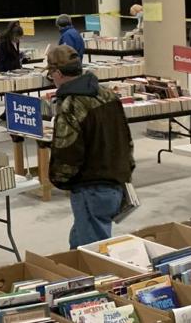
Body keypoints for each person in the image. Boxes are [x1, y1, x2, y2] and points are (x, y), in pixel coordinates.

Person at [46, 46, 134, 248]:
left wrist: (59, 179)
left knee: (91, 254)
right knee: (82, 242)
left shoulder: (71, 104)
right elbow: (125, 137)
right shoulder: (107, 94)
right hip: (115, 180)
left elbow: (67, 150)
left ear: (58, 73)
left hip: (90, 185)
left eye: (51, 75)